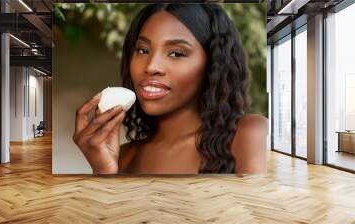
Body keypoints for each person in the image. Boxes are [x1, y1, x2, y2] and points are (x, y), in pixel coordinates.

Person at [73, 3, 268, 174]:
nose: (151, 66)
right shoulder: (123, 157)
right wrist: (104, 173)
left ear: (213, 64)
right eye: (142, 50)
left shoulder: (249, 134)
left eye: (176, 53)